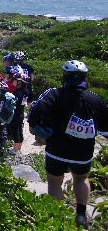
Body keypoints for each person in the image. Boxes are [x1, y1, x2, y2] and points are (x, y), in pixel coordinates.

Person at [28, 60, 108, 229]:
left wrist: (39, 129)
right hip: (83, 153)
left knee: (54, 182)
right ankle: (80, 215)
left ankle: (60, 219)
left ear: (64, 76)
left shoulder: (53, 94)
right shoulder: (96, 99)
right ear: (85, 77)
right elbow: (105, 129)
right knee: (81, 178)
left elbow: (35, 114)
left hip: (57, 149)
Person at [5, 65, 29, 155]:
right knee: (19, 130)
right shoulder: (25, 91)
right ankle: (19, 148)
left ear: (20, 82)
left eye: (15, 80)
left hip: (16, 113)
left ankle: (15, 149)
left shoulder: (18, 92)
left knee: (15, 131)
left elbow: (13, 103)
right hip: (21, 113)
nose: (13, 81)